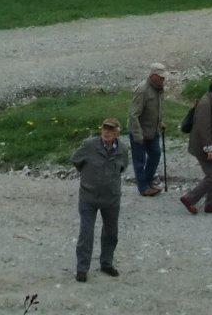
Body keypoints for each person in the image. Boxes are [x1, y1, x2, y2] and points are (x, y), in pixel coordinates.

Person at [69, 116, 125, 282]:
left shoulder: (122, 149)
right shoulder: (89, 145)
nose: (107, 132)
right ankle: (82, 269)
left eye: (111, 130)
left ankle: (106, 264)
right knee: (86, 233)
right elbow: (75, 160)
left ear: (117, 133)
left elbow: (123, 166)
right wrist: (88, 178)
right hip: (89, 197)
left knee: (111, 233)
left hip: (111, 198)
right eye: (105, 129)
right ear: (101, 130)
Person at [181, 77, 212, 215]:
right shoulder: (206, 103)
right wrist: (208, 148)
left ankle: (211, 203)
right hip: (205, 147)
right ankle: (189, 199)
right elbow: (203, 128)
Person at [128, 63, 167, 196]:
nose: (163, 79)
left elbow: (158, 108)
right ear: (153, 75)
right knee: (139, 161)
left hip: (153, 130)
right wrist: (138, 135)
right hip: (139, 131)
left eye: (163, 77)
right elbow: (134, 114)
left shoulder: (159, 89)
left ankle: (148, 178)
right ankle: (143, 188)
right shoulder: (143, 90)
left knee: (156, 154)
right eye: (160, 77)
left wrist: (160, 122)